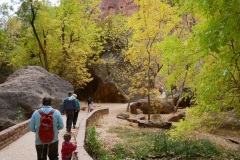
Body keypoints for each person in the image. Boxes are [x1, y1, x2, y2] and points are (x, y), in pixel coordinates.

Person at [29, 96, 64, 160]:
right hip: (53, 139)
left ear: (42, 103)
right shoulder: (56, 112)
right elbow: (61, 126)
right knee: (54, 157)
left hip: (40, 140)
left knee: (41, 158)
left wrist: (38, 129)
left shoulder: (36, 113)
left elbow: (31, 128)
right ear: (51, 103)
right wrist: (54, 129)